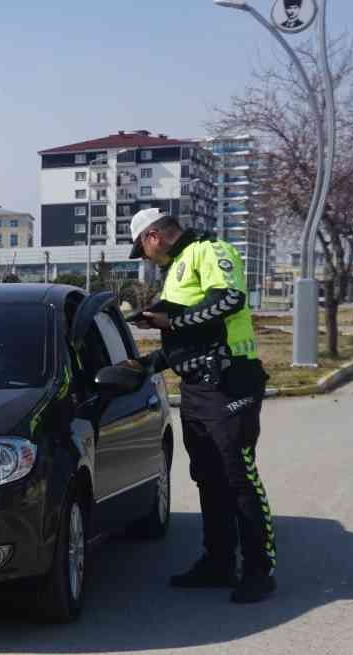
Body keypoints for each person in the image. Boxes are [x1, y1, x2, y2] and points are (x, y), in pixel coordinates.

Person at [115, 208, 277, 603]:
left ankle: (259, 569)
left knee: (239, 475)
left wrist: (171, 322)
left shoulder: (210, 250)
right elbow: (187, 338)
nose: (145, 258)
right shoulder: (179, 267)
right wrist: (148, 360)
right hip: (197, 387)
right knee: (208, 475)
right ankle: (218, 561)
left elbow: (230, 301)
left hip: (230, 379)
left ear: (153, 237)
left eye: (143, 249)